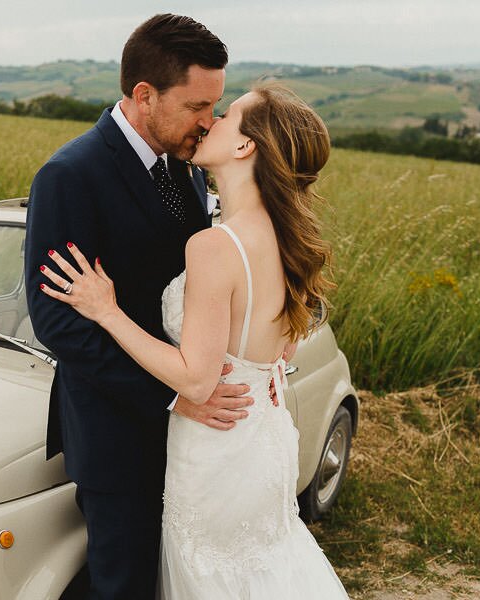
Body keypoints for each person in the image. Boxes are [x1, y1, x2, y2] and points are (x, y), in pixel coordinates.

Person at [39, 84, 350, 598]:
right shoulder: (283, 236)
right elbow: (284, 343)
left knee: (211, 576)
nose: (211, 122)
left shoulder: (214, 246)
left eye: (226, 115)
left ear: (245, 147)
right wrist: (261, 368)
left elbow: (198, 378)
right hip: (260, 439)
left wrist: (107, 311)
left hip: (218, 448)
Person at [24, 13, 265, 600]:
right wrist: (174, 394)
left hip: (195, 433)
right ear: (143, 95)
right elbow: (59, 323)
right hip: (116, 434)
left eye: (217, 105)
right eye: (197, 105)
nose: (208, 121)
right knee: (124, 584)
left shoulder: (184, 166)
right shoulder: (69, 176)